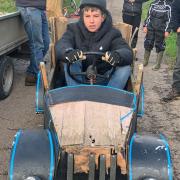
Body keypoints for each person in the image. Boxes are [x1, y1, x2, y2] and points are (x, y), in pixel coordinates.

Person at [55, 0, 133, 89]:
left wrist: (117, 56)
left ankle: (109, 98)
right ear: (82, 17)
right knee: (71, 62)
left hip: (105, 80)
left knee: (125, 68)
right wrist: (68, 52)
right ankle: (77, 95)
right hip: (77, 78)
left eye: (96, 16)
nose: (91, 21)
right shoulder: (73, 30)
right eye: (87, 16)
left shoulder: (113, 33)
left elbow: (126, 51)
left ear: (103, 17)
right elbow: (62, 43)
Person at [16, 0, 50, 86]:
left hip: (40, 8)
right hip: (29, 7)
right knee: (37, 44)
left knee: (46, 43)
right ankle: (38, 76)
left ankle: (31, 73)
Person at [143, 0, 171, 70]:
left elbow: (169, 19)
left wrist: (167, 30)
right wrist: (145, 26)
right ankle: (145, 61)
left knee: (160, 45)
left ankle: (158, 64)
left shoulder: (168, 6)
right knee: (148, 42)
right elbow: (148, 16)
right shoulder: (153, 4)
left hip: (161, 28)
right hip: (151, 27)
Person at [162, 0, 180, 102]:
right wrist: (177, 27)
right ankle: (176, 90)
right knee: (179, 65)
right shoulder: (177, 2)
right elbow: (174, 22)